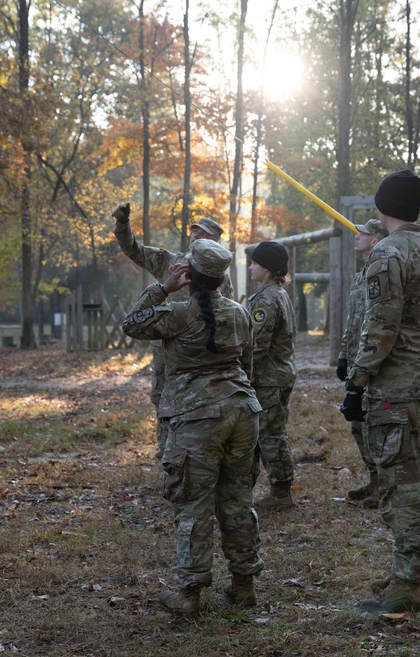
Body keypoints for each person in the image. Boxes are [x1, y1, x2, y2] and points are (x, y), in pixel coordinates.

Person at [120, 239, 263, 617]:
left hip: (199, 418)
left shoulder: (177, 313)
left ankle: (190, 593)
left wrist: (162, 288)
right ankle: (244, 584)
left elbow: (131, 323)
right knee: (237, 501)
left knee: (194, 505)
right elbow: (247, 362)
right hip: (243, 411)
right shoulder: (240, 312)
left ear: (189, 276)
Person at [340, 169, 420, 613]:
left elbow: (380, 328)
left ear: (384, 206)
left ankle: (408, 584)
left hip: (394, 385)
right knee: (417, 481)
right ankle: (410, 570)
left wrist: (357, 382)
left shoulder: (387, 252)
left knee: (399, 486)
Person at [112, 205, 229, 456]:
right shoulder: (171, 261)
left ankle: (192, 446)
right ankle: (166, 448)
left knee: (196, 397)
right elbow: (136, 251)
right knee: (161, 394)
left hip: (197, 346)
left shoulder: (219, 275)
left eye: (204, 235)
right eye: (194, 232)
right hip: (166, 344)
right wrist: (123, 226)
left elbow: (222, 313)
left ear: (214, 243)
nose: (196, 237)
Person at [336, 219, 388, 509]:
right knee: (357, 423)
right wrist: (344, 355)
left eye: (364, 234)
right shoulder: (359, 277)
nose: (358, 237)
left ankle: (384, 481)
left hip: (374, 363)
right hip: (356, 360)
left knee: (374, 423)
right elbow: (352, 319)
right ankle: (373, 476)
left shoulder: (381, 274)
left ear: (377, 240)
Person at [246, 241, 298, 510]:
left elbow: (255, 346)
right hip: (276, 376)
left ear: (266, 268)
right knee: (267, 433)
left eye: (255, 263)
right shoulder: (277, 294)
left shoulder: (266, 299)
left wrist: (239, 374)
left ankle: (281, 493)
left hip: (268, 378)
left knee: (270, 435)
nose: (250, 266)